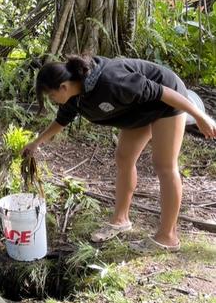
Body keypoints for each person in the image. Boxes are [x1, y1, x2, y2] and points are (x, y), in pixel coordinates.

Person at [23, 55, 216, 253]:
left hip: (167, 99)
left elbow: (161, 92)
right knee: (124, 157)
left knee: (164, 165)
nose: (52, 100)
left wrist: (201, 117)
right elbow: (62, 120)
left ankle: (168, 237)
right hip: (140, 107)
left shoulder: (112, 81)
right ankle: (121, 219)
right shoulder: (76, 94)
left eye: (51, 95)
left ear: (63, 86)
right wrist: (37, 142)